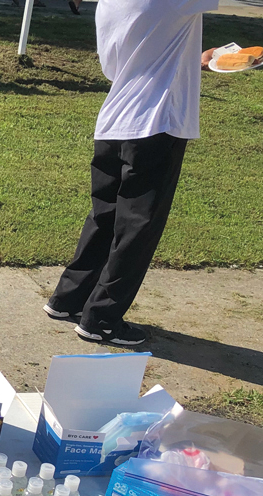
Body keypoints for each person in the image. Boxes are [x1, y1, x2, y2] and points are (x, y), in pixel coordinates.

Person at [44, 0, 218, 345]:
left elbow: (118, 67)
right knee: (138, 226)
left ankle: (68, 298)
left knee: (105, 215)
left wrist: (187, 59)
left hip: (115, 120)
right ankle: (102, 319)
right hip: (157, 122)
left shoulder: (108, 4)